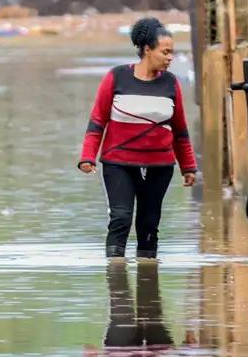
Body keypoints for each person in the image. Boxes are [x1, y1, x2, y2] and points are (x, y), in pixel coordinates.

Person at [78, 17, 198, 259]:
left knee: (149, 224)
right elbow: (97, 121)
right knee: (121, 218)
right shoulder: (116, 77)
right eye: (165, 52)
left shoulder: (171, 83)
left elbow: (180, 130)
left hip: (160, 166)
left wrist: (188, 167)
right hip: (118, 163)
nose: (170, 57)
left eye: (172, 52)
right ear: (147, 50)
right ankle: (117, 282)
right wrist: (87, 157)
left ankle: (148, 284)